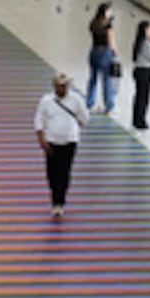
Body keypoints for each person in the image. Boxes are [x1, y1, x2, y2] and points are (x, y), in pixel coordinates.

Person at [34, 73, 89, 218]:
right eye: (59, 85)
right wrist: (42, 140)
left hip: (69, 141)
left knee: (64, 172)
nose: (62, 88)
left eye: (64, 85)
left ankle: (58, 202)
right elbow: (39, 121)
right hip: (51, 141)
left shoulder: (76, 99)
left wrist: (74, 127)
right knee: (51, 173)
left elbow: (85, 118)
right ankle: (55, 194)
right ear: (54, 86)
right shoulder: (46, 101)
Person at [86, 2, 118, 113]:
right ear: (105, 12)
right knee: (107, 80)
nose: (111, 13)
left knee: (93, 79)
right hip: (105, 53)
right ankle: (109, 106)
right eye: (109, 11)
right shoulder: (108, 26)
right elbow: (111, 42)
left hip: (94, 51)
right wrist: (115, 52)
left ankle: (90, 103)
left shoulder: (93, 23)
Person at [131, 21, 150, 131]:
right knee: (144, 97)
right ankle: (140, 121)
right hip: (145, 71)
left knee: (139, 96)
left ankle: (136, 120)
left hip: (138, 70)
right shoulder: (147, 43)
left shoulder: (139, 41)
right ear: (145, 31)